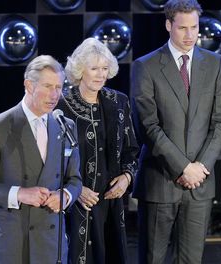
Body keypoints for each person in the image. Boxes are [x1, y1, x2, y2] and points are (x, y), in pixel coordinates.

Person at [130, 0, 221, 262]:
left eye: (194, 27)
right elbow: (147, 126)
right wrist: (183, 167)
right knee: (153, 258)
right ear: (168, 25)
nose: (189, 35)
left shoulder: (214, 63)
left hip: (200, 183)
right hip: (160, 181)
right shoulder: (146, 66)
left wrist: (199, 168)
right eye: (182, 28)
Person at [0, 55, 83, 264]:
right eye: (48, 86)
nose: (55, 95)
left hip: (50, 244)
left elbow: (75, 179)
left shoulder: (65, 126)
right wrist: (18, 194)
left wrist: (65, 195)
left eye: (59, 86)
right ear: (29, 85)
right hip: (9, 243)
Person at [57, 37, 138, 264]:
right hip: (73, 205)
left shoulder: (119, 101)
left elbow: (132, 149)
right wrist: (74, 189)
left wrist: (126, 178)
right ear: (80, 70)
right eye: (94, 68)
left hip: (110, 203)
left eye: (104, 68)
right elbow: (50, 158)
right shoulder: (60, 104)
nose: (101, 74)